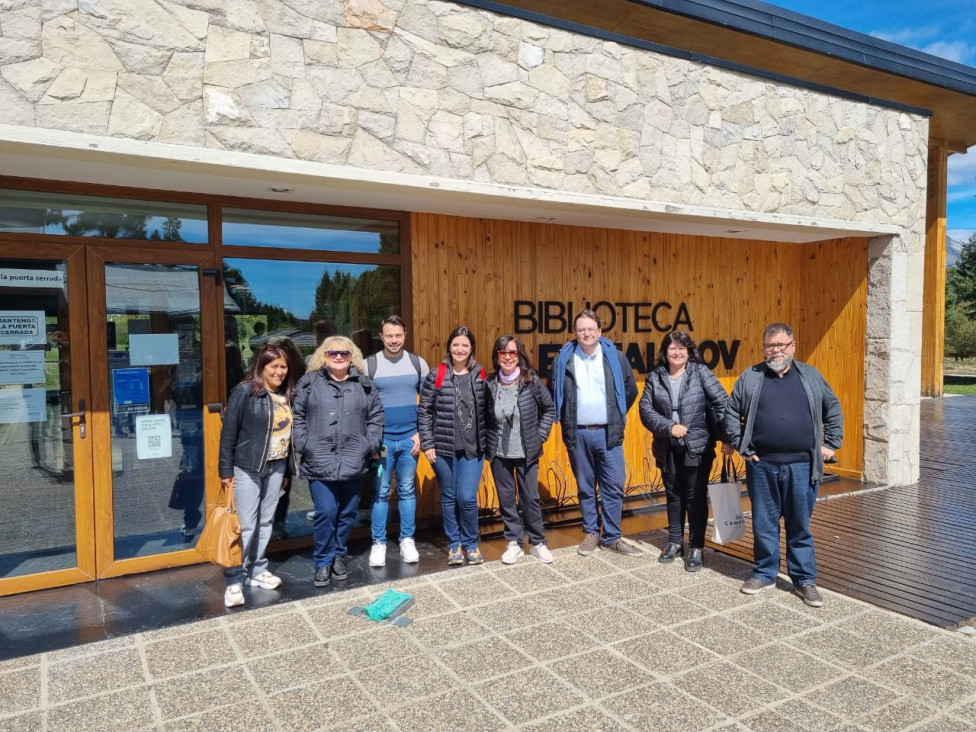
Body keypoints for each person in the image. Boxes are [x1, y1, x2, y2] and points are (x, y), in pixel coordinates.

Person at [723, 322, 843, 608]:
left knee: (799, 525)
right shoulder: (751, 377)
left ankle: (804, 580)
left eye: (780, 345)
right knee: (765, 523)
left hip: (802, 466)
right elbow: (731, 413)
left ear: (792, 346)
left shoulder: (810, 376)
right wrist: (742, 445)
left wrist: (831, 444)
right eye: (769, 345)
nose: (775, 351)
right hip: (762, 465)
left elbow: (833, 407)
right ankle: (765, 573)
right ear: (763, 347)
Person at [294, 336, 384, 587]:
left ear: (351, 356)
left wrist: (369, 443)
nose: (338, 357)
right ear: (324, 356)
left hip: (354, 459)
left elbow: (376, 415)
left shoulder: (364, 385)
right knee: (326, 511)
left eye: (344, 353)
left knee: (346, 513)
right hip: (319, 459)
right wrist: (304, 443)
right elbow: (297, 414)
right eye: (333, 353)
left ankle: (338, 555)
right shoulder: (310, 383)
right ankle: (323, 561)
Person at [552, 309, 641, 557]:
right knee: (585, 486)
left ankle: (612, 537)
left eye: (591, 329)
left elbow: (630, 391)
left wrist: (614, 414)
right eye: (581, 329)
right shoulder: (564, 360)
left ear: (600, 331)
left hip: (608, 432)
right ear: (575, 332)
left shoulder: (615, 358)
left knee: (613, 486)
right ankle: (591, 532)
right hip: (578, 434)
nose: (586, 333)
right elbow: (556, 393)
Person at [639, 331, 728, 572]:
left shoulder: (700, 372)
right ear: (664, 352)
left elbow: (722, 403)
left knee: (694, 497)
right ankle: (675, 542)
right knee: (673, 495)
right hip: (667, 446)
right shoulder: (655, 377)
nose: (677, 352)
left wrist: (728, 439)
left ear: (689, 351)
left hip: (697, 445)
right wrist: (669, 427)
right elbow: (646, 411)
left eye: (682, 348)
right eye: (672, 348)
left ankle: (697, 546)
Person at [218, 342, 296, 608]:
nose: (279, 371)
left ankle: (257, 569)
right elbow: (228, 432)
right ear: (261, 366)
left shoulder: (286, 394)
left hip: (276, 467)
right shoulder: (245, 392)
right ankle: (233, 580)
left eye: (283, 366)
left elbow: (288, 438)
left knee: (266, 522)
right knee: (246, 525)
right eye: (274, 366)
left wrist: (287, 470)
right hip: (248, 467)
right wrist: (225, 470)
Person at [418, 326, 487, 566]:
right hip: (443, 447)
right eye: (456, 344)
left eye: (465, 345)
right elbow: (424, 411)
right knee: (448, 497)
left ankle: (470, 543)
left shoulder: (480, 375)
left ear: (471, 349)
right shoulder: (437, 374)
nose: (460, 349)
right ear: (449, 346)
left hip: (473, 448)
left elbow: (486, 412)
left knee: (467, 497)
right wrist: (427, 443)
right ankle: (454, 545)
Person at [485, 335, 556, 564]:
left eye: (512, 352)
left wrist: (540, 435)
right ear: (497, 356)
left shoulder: (530, 380)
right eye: (503, 352)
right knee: (506, 499)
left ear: (519, 355)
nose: (507, 357)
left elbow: (549, 409)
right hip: (500, 453)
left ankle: (538, 542)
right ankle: (514, 542)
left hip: (527, 450)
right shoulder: (490, 382)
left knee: (530, 498)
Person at [366, 315, 429, 567]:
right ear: (381, 337)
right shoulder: (368, 365)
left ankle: (407, 539)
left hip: (409, 443)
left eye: (398, 335)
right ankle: (378, 542)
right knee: (380, 492)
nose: (393, 340)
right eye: (388, 335)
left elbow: (428, 403)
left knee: (406, 490)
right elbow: (362, 407)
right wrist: (371, 440)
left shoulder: (418, 363)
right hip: (381, 445)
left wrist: (421, 433)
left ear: (405, 335)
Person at [266, 336, 306, 540]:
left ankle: (278, 523)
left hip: (288, 434)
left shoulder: (300, 376)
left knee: (284, 479)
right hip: (269, 436)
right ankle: (272, 525)